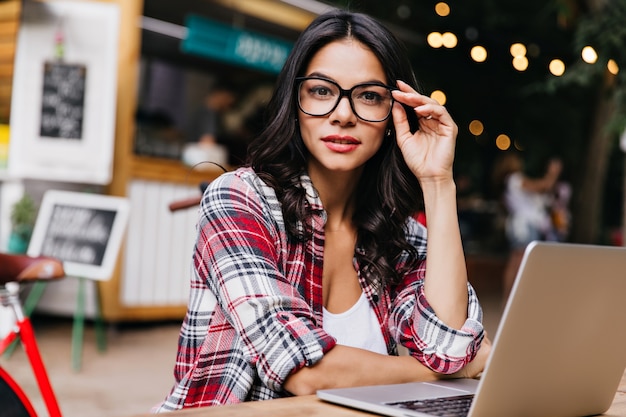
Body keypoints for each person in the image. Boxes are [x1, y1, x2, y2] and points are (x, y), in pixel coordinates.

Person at [154, 10, 490, 412]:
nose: (343, 114)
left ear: (394, 115)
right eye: (321, 91)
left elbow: (448, 346)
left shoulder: (399, 235)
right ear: (295, 103)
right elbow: (303, 370)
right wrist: (446, 373)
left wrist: (438, 183)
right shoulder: (240, 200)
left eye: (369, 95)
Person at [493, 152, 563, 300]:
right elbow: (542, 186)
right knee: (519, 261)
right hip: (523, 226)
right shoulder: (515, 179)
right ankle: (511, 298)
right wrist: (552, 173)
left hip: (520, 224)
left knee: (516, 260)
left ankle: (509, 298)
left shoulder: (509, 181)